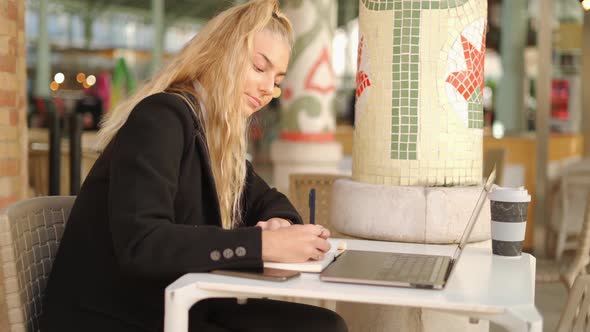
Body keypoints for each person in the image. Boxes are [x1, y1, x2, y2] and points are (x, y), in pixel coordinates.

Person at [39, 1, 348, 331]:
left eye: (276, 80)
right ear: (221, 54)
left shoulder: (216, 136)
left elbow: (266, 199)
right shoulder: (161, 118)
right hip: (114, 316)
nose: (267, 89)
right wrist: (263, 245)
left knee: (325, 325)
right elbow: (142, 244)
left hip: (177, 304)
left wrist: (279, 224)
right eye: (259, 68)